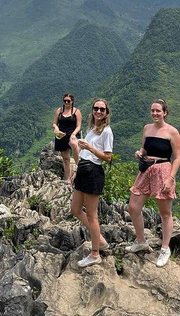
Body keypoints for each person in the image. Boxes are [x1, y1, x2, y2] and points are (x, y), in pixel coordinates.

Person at [126, 98, 180, 268]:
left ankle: (165, 248)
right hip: (146, 168)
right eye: (153, 110)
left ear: (165, 112)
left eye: (158, 111)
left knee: (165, 212)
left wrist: (170, 178)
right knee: (133, 207)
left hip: (163, 169)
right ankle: (141, 240)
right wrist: (139, 153)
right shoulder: (147, 128)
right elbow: (144, 148)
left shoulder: (172, 132)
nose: (155, 113)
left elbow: (177, 157)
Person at [69, 98, 113, 268]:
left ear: (106, 113)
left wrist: (90, 148)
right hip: (83, 169)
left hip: (94, 172)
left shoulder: (106, 131)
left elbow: (107, 157)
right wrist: (75, 170)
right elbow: (84, 155)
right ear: (92, 110)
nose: (99, 112)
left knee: (92, 215)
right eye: (96, 108)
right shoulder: (92, 129)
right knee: (75, 209)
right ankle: (99, 239)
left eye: (102, 109)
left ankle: (95, 253)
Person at [52, 93, 82, 181]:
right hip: (61, 134)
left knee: (74, 145)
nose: (66, 103)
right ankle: (67, 178)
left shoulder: (76, 112)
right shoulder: (59, 110)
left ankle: (78, 166)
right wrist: (56, 128)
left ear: (72, 101)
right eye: (64, 101)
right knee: (65, 158)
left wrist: (73, 134)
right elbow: (54, 123)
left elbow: (78, 126)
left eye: (68, 101)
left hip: (72, 133)